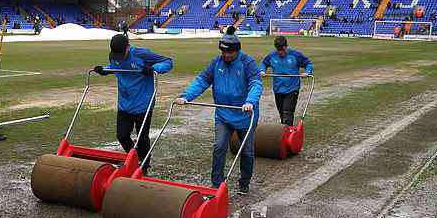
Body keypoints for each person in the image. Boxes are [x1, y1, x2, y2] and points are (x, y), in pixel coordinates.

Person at [176, 27, 262, 195]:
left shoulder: (247, 62)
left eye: (230, 53)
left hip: (245, 114)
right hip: (223, 114)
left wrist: (250, 101)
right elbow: (202, 81)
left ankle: (244, 182)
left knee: (247, 151)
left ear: (237, 50)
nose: (226, 56)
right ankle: (216, 184)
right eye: (223, 52)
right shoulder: (216, 63)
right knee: (219, 146)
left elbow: (256, 83)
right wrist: (186, 96)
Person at [93, 34, 173, 173]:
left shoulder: (141, 54)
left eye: (121, 54)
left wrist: (153, 69)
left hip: (143, 103)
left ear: (128, 48)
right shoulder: (114, 56)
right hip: (124, 103)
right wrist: (104, 70)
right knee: (122, 135)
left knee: (142, 137)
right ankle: (135, 160)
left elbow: (168, 62)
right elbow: (115, 67)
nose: (118, 57)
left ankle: (144, 166)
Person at [259, 36, 313, 126]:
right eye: (278, 50)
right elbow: (264, 63)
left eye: (282, 50)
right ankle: (285, 131)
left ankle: (287, 134)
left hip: (292, 89)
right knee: (282, 113)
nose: (280, 52)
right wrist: (262, 70)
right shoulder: (272, 55)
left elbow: (308, 63)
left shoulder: (296, 55)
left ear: (286, 47)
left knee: (288, 112)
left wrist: (307, 72)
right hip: (278, 88)